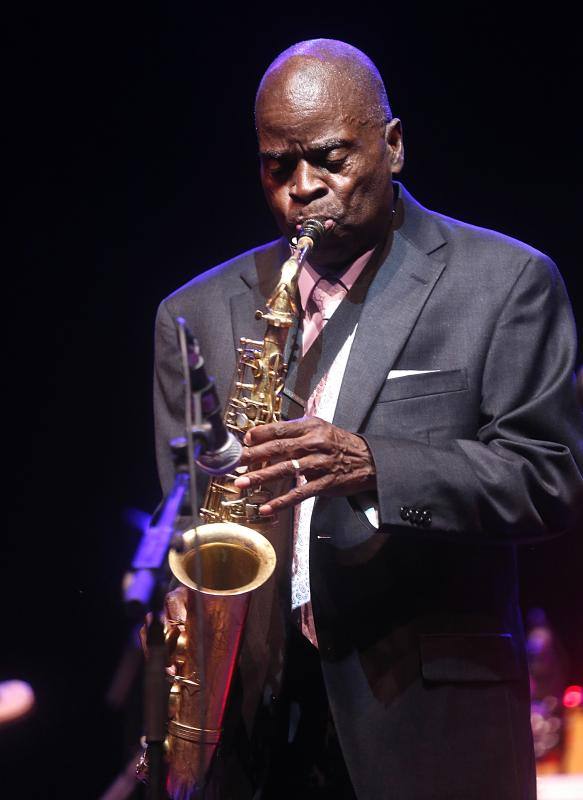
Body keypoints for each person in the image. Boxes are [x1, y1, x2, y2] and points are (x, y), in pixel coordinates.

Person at [153, 39, 583, 799]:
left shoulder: (504, 281)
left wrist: (375, 463)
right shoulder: (191, 313)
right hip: (249, 728)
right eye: (276, 166)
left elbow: (550, 475)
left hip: (425, 722)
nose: (301, 189)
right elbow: (188, 514)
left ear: (393, 145)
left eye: (328, 158)